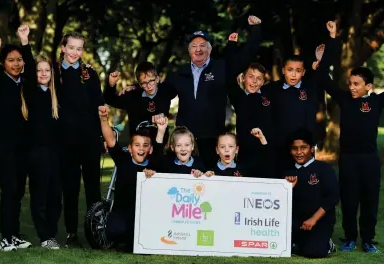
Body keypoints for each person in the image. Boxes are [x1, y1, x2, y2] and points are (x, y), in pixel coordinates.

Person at [119, 15, 262, 169]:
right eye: (194, 46)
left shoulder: (222, 68)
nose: (198, 49)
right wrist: (135, 88)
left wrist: (256, 30)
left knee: (208, 183)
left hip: (212, 139)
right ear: (189, 50)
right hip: (184, 141)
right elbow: (156, 90)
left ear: (209, 49)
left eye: (202, 45)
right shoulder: (179, 73)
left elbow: (246, 57)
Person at [319, 64, 381, 253]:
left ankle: (368, 239)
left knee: (370, 200)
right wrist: (321, 62)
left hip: (370, 160)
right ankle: (350, 238)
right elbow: (326, 82)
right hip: (348, 160)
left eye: (356, 84)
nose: (352, 87)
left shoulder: (377, 101)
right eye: (350, 83)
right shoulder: (345, 99)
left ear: (368, 86)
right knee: (349, 200)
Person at [262, 21, 339, 175]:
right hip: (278, 149)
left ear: (303, 72)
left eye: (298, 70)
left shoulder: (310, 87)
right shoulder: (270, 90)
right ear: (283, 70)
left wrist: (332, 37)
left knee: (305, 189)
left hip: (304, 150)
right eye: (290, 70)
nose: (294, 74)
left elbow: (324, 65)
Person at [54, 31, 105, 247]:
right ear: (63, 48)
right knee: (71, 189)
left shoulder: (90, 74)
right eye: (71, 47)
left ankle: (95, 233)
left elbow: (99, 104)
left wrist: (102, 133)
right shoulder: (54, 74)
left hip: (90, 140)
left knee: (93, 188)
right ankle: (72, 234)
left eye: (79, 48)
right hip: (65, 142)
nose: (75, 52)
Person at [0, 25, 33, 251]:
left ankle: (14, 234)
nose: (16, 64)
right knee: (9, 188)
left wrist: (25, 42)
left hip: (23, 143)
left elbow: (33, 68)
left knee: (19, 190)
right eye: (11, 60)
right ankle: (6, 238)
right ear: (3, 63)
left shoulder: (26, 82)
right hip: (3, 142)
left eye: (19, 60)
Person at [98, 105, 156, 252]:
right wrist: (104, 119)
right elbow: (110, 140)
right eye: (137, 145)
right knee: (115, 231)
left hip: (143, 214)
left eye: (145, 145)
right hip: (121, 212)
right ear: (130, 148)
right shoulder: (123, 160)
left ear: (150, 149)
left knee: (140, 240)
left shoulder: (155, 166)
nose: (141, 149)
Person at [21, 53, 61, 249]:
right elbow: (28, 72)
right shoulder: (31, 92)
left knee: (55, 195)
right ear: (33, 73)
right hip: (37, 153)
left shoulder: (55, 96)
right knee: (40, 196)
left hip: (55, 153)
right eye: (39, 70)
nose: (43, 73)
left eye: (47, 70)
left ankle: (51, 234)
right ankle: (45, 236)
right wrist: (25, 43)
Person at [225, 31, 274, 177]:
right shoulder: (238, 97)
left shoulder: (269, 96)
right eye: (251, 77)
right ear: (243, 78)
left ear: (263, 82)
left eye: (259, 78)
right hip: (245, 155)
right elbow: (229, 73)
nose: (254, 81)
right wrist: (231, 46)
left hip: (266, 152)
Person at [285, 128, 338, 258]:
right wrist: (287, 188)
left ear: (312, 149)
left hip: (318, 221)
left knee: (315, 252)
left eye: (303, 148)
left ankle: (326, 243)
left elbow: (333, 197)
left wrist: (313, 219)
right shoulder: (287, 172)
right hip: (296, 222)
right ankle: (298, 243)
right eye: (294, 148)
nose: (299, 152)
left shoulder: (324, 168)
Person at [103, 62, 174, 144]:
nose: (149, 86)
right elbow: (110, 100)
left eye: (151, 80)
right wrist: (111, 85)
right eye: (144, 83)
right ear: (140, 84)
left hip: (160, 144)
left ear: (157, 79)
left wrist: (135, 86)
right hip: (138, 147)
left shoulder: (166, 91)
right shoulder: (132, 97)